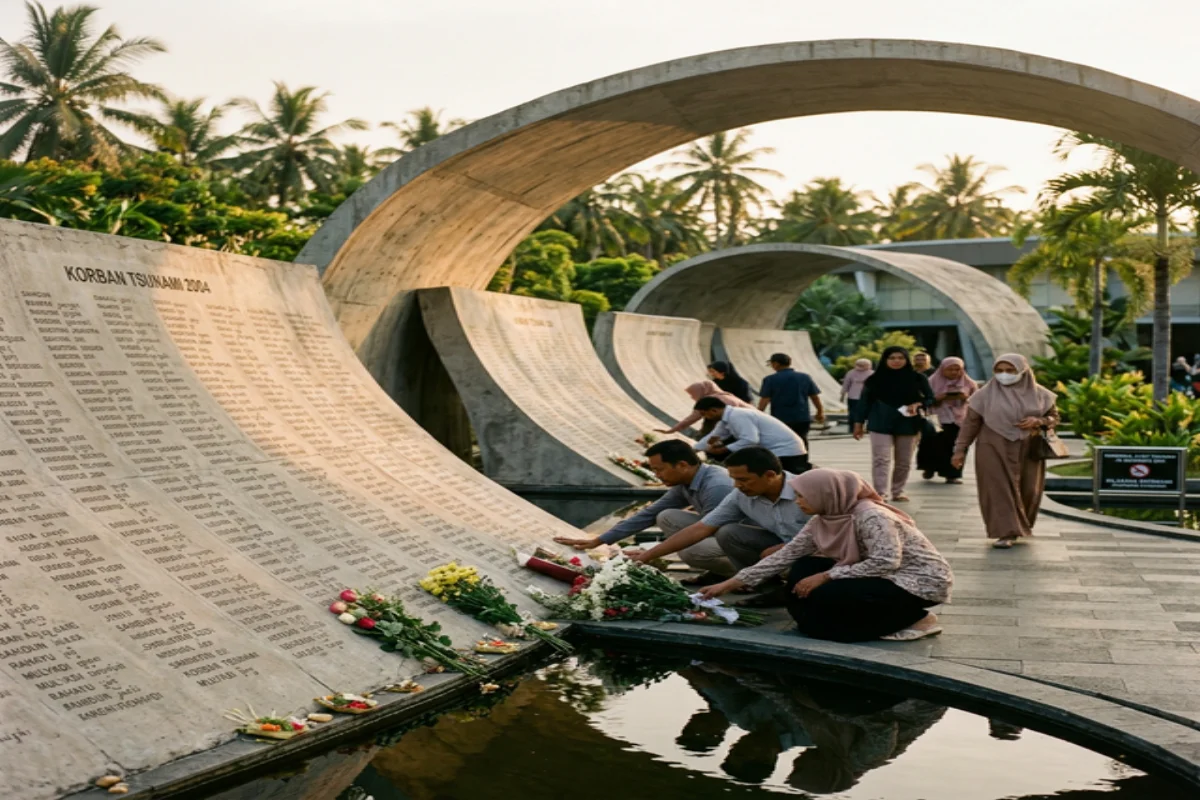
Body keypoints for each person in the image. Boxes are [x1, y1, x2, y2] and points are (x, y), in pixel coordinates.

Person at [701, 468, 952, 643]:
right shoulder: (822, 519)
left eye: (803, 496)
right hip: (873, 575)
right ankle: (835, 622)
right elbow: (784, 556)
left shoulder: (872, 516)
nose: (798, 502)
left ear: (829, 493)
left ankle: (918, 618)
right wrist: (728, 584)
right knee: (803, 574)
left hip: (916, 581)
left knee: (827, 594)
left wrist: (828, 575)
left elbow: (886, 562)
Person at [553, 440, 737, 580]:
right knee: (666, 516)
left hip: (744, 541)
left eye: (660, 469)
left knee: (692, 552)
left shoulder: (716, 486)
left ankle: (746, 576)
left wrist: (650, 554)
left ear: (682, 465)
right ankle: (718, 571)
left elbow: (706, 531)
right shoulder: (687, 481)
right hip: (720, 532)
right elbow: (648, 514)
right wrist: (599, 540)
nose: (657, 475)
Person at [626, 447, 810, 583]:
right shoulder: (740, 495)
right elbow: (701, 528)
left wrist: (786, 548)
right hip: (778, 547)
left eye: (743, 480)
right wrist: (647, 555)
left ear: (770, 475)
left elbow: (834, 534)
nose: (737, 485)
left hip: (820, 552)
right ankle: (766, 587)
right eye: (734, 479)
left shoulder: (808, 490)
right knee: (729, 532)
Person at [951, 353, 1059, 549]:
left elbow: (1054, 418)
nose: (1004, 375)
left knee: (1029, 488)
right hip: (992, 446)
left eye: (1010, 371)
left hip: (1028, 448)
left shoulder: (1041, 394)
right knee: (997, 489)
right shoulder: (983, 395)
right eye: (999, 371)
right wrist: (960, 450)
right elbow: (970, 425)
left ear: (1023, 371)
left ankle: (1019, 526)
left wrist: (1039, 421)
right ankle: (1005, 532)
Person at [852, 346, 934, 502]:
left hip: (908, 423)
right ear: (885, 360)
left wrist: (918, 403)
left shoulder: (918, 378)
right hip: (880, 422)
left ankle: (898, 490)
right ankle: (880, 492)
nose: (896, 361)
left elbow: (930, 398)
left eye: (900, 358)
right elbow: (864, 403)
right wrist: (858, 423)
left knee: (903, 460)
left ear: (906, 359)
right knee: (881, 459)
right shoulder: (874, 379)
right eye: (892, 358)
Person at [692, 397, 809, 474]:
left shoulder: (737, 416)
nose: (705, 418)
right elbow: (714, 436)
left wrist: (724, 449)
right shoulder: (726, 419)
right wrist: (693, 451)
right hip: (778, 451)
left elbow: (750, 439)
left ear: (713, 411)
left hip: (786, 451)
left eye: (704, 414)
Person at [916, 357, 978, 484]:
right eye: (950, 369)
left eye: (957, 369)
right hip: (935, 418)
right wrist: (936, 399)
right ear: (942, 369)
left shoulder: (969, 383)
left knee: (956, 446)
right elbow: (921, 400)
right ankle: (930, 468)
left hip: (959, 419)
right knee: (932, 444)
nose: (954, 372)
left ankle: (952, 474)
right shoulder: (930, 382)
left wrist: (966, 398)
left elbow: (978, 401)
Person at [757, 352, 825, 453]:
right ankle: (802, 462)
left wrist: (758, 415)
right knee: (802, 440)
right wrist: (820, 412)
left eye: (771, 364)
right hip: (802, 417)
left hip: (780, 418)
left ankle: (786, 464)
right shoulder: (804, 377)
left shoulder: (770, 380)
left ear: (776, 364)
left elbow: (764, 400)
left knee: (782, 441)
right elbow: (814, 397)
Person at [657, 380, 755, 436]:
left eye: (693, 394)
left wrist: (671, 430)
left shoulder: (716, 401)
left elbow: (692, 418)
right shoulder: (721, 396)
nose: (692, 397)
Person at [839, 359, 873, 432]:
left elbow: (845, 385)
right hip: (864, 397)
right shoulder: (872, 373)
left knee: (854, 413)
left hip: (854, 396)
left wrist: (842, 396)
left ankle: (853, 428)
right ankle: (866, 428)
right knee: (868, 413)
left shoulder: (851, 373)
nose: (861, 367)